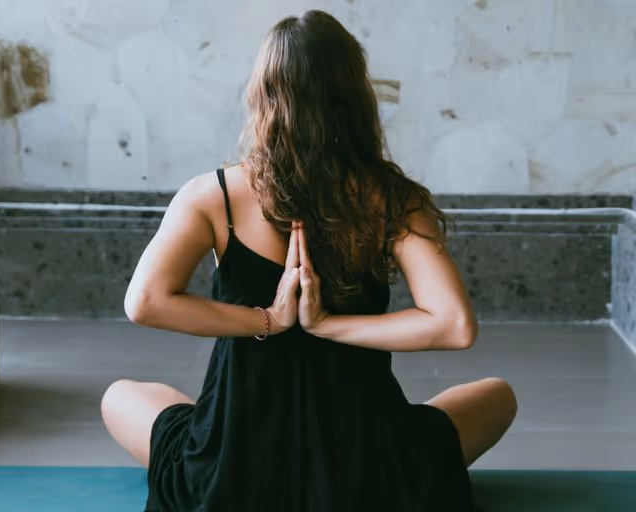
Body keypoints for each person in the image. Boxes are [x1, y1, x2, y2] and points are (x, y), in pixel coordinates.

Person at [100, 11, 518, 512]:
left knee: (119, 396)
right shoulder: (392, 199)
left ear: (262, 95)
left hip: (233, 470)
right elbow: (454, 325)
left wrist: (269, 321)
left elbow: (143, 302)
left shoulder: (212, 196)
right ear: (354, 96)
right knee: (498, 395)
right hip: (369, 470)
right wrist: (328, 325)